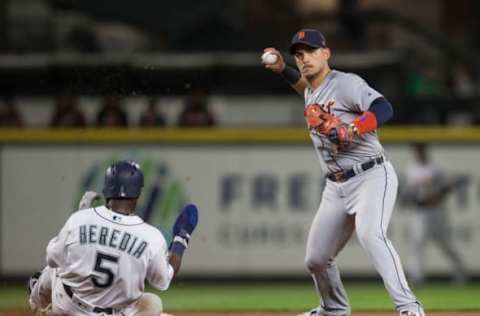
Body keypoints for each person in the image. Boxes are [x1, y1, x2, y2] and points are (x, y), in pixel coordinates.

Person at [262, 29, 425, 316]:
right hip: (336, 187)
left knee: (371, 234)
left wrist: (354, 127)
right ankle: (333, 309)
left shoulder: (346, 83)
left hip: (371, 175)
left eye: (311, 51)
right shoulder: (312, 90)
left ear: (326, 53)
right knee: (316, 258)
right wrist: (281, 69)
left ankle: (409, 307)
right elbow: (305, 89)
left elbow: (384, 107)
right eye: (299, 55)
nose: (304, 59)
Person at [28, 160, 198, 316]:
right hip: (114, 313)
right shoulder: (151, 237)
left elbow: (51, 258)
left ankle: (37, 303)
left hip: (67, 308)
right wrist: (181, 239)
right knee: (153, 304)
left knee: (55, 268)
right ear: (138, 194)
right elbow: (163, 281)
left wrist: (80, 219)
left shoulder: (78, 220)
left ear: (106, 189)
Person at [403, 143, 468, 286]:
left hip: (437, 211)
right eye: (417, 150)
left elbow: (447, 188)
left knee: (445, 244)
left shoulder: (436, 169)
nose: (418, 153)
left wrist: (436, 198)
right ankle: (417, 277)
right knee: (417, 243)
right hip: (420, 212)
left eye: (420, 150)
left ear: (425, 151)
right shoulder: (411, 170)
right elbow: (410, 193)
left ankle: (460, 271)